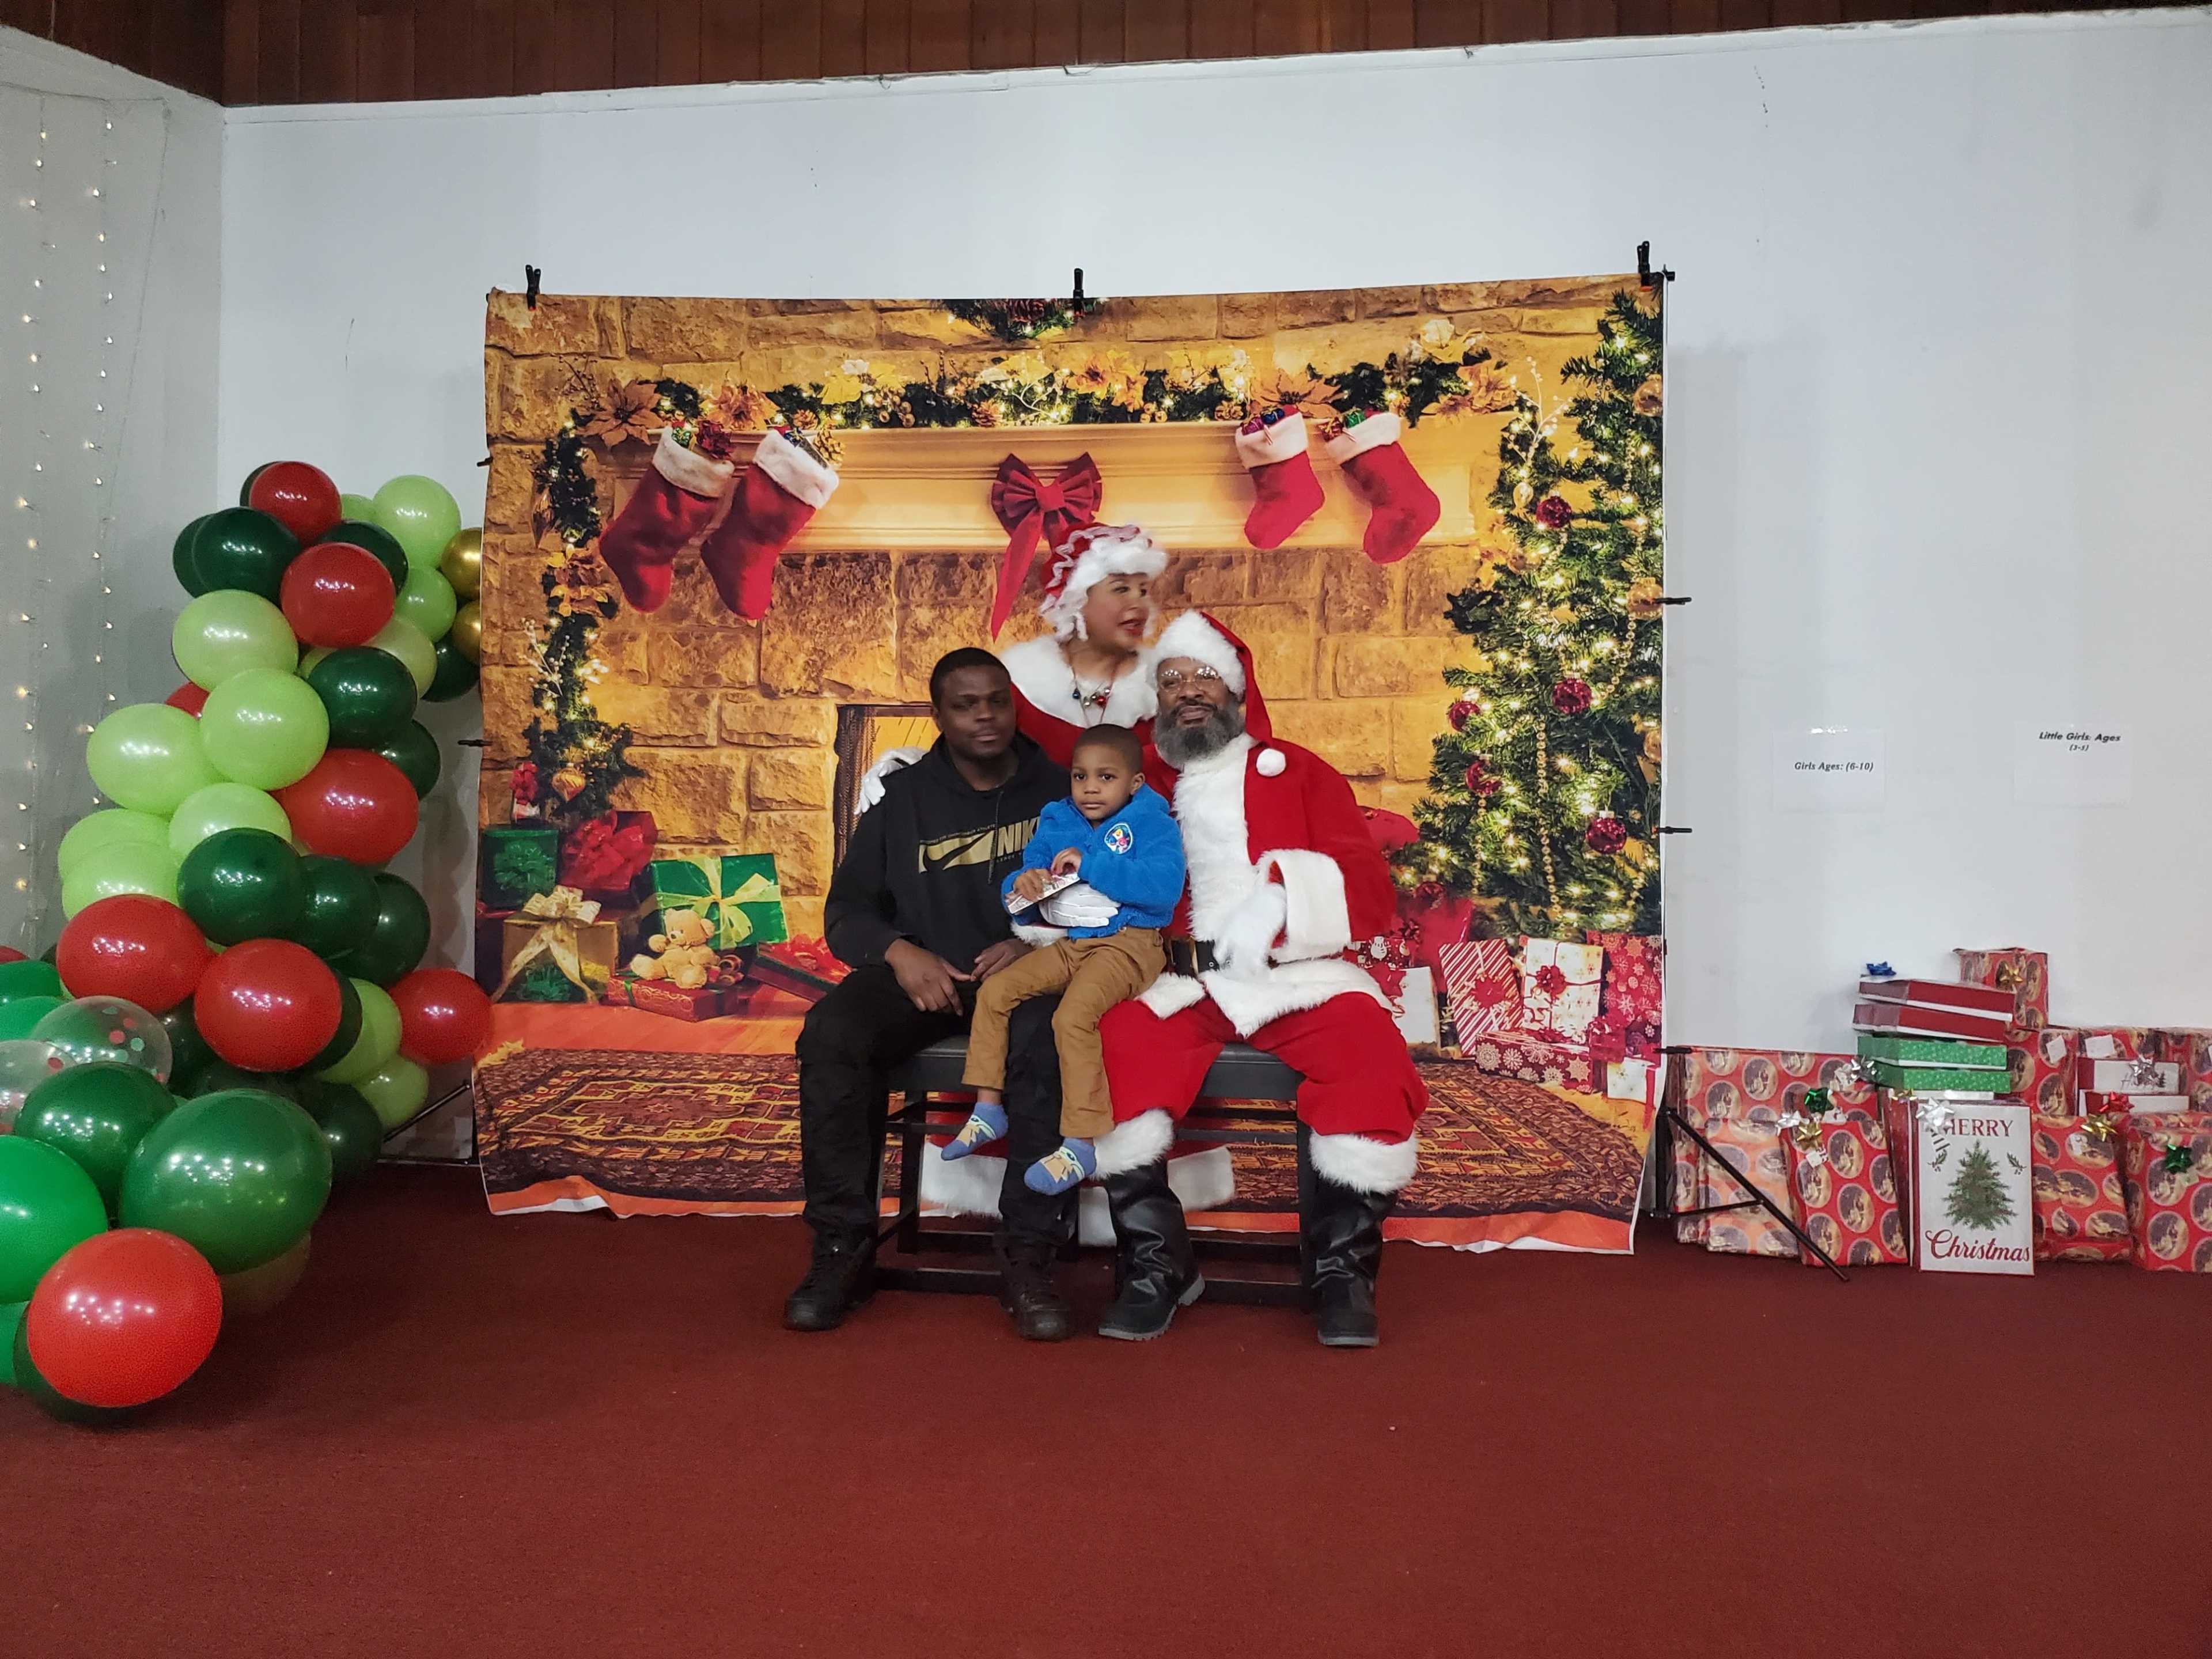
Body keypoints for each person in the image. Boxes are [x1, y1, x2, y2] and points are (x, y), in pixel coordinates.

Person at [1092, 611, 1430, 1349]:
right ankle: (1158, 1264)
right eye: (1171, 679)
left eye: (1203, 676)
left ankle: (1342, 1272)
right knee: (1111, 1049)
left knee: (1371, 1058)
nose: (1187, 691)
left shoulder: (1300, 771)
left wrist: (1281, 899)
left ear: (1237, 690)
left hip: (1294, 976)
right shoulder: (1134, 781)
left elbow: (1368, 887)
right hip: (1181, 980)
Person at [787, 647, 1076, 1340]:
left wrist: (1037, 941)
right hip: (926, 982)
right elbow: (847, 914)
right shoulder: (902, 800)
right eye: (965, 704)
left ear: (1013, 703)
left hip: (1028, 980)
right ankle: (841, 1250)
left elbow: (1114, 900)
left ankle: (1029, 1255)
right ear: (939, 715)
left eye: (996, 701)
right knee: (832, 1034)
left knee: (1049, 1040)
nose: (985, 717)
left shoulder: (1065, 793)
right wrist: (900, 953)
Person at [940, 724, 1185, 1196]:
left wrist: (1092, 864)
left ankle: (1080, 1142)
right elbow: (1028, 880)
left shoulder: (1153, 823)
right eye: (1080, 777)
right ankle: (989, 1109)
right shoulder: (1058, 820)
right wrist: (1023, 883)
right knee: (996, 991)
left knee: (1072, 1016)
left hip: (1130, 944)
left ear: (1134, 784)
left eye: (1106, 777)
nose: (1090, 788)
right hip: (1071, 943)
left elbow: (1164, 889)